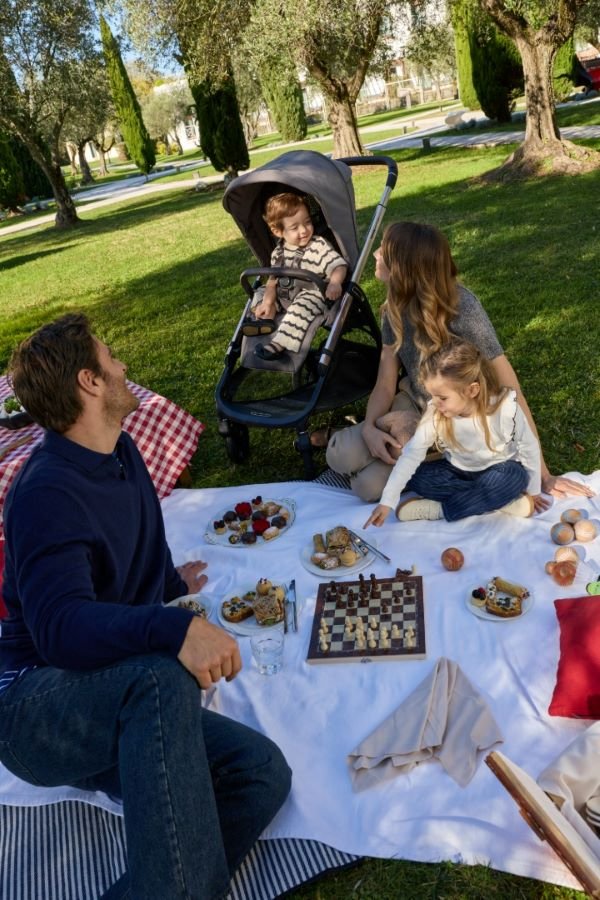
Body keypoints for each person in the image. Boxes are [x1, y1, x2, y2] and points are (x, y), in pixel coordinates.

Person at [0, 314, 291, 900]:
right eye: (111, 358)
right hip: (35, 710)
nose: (123, 366)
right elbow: (59, 628)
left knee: (258, 773)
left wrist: (170, 585)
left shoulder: (122, 450)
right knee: (160, 675)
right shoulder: (45, 494)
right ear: (89, 382)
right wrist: (172, 626)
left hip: (114, 694)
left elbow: (142, 548)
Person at [325, 221, 594, 509]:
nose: (376, 254)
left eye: (384, 251)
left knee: (367, 486)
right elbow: (385, 382)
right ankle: (424, 458)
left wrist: (543, 474)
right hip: (413, 406)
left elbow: (510, 387)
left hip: (457, 415)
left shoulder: (463, 307)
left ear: (403, 267)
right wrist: (369, 428)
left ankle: (445, 461)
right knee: (339, 454)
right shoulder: (393, 307)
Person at [364, 338, 541, 527]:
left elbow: (529, 447)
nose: (435, 403)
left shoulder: (504, 408)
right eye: (432, 396)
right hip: (457, 472)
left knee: (515, 476)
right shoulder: (436, 413)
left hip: (499, 470)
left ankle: (440, 510)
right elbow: (411, 455)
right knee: (417, 477)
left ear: (472, 390)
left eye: (442, 397)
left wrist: (534, 491)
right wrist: (387, 502)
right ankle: (501, 502)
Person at [242, 192, 347, 361]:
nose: (304, 230)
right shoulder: (278, 252)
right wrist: (268, 301)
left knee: (302, 307)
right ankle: (265, 318)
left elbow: (339, 265)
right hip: (284, 293)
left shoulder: (318, 246)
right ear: (278, 231)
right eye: (294, 227)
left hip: (310, 293)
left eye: (307, 222)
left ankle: (279, 344)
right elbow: (272, 281)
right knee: (260, 292)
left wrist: (335, 283)